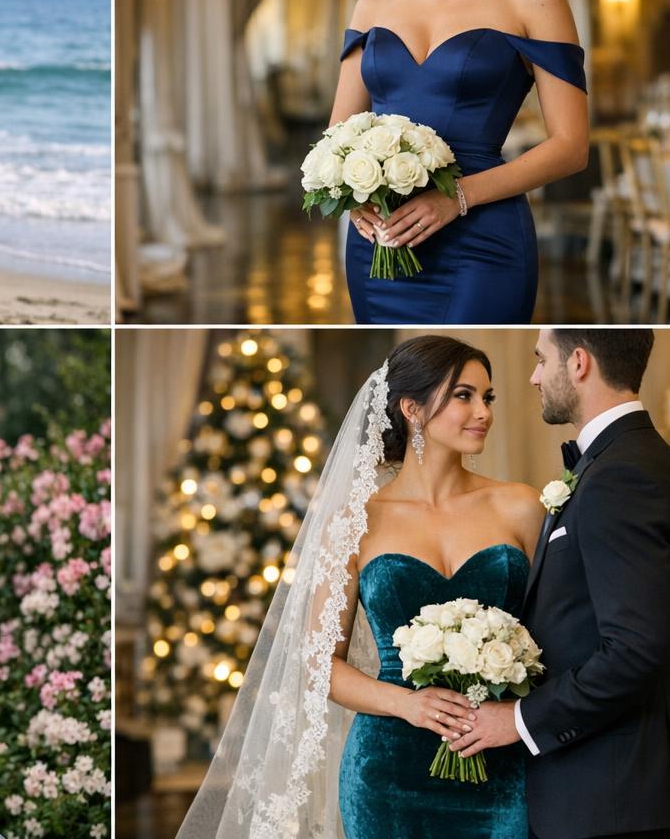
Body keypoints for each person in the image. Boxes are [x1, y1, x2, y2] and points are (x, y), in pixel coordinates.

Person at [177, 335, 545, 838]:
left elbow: (557, 628)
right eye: (464, 395)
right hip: (387, 773)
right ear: (412, 409)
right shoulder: (355, 522)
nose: (483, 411)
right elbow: (318, 661)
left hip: (500, 762)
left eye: (488, 397)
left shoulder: (520, 507)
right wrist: (407, 703)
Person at [450, 329, 670, 839]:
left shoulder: (623, 474)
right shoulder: (627, 460)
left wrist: (519, 719)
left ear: (578, 363)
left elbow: (638, 649)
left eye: (540, 360)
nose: (533, 377)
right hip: (612, 790)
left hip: (613, 795)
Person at [329, 0, 590, 323]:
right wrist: (352, 199)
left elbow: (571, 146)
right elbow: (337, 135)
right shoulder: (374, 4)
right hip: (381, 245)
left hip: (484, 242)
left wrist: (457, 198)